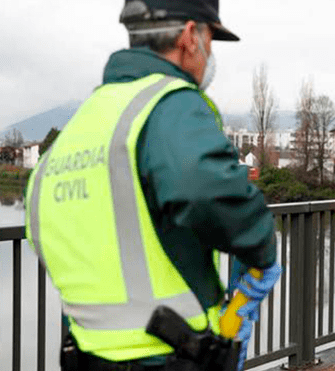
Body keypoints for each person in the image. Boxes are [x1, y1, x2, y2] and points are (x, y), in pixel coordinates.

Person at [24, 0, 280, 370]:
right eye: (210, 40)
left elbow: (40, 222)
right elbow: (203, 187)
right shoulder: (171, 103)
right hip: (168, 354)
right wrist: (262, 247)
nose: (209, 53)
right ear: (191, 37)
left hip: (83, 353)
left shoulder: (85, 121)